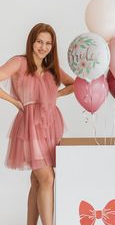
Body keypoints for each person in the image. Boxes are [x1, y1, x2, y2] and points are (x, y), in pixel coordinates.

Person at [0, 23, 74, 225]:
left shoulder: (52, 69)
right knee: (47, 178)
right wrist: (14, 101)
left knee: (37, 180)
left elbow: (74, 84)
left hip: (50, 126)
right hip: (30, 126)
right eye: (39, 41)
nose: (43, 47)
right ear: (32, 41)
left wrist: (54, 96)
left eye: (48, 43)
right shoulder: (19, 63)